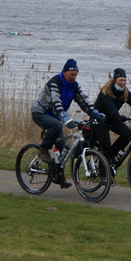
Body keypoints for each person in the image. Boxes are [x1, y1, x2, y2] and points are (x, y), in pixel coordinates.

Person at [30, 58, 105, 188]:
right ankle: (43, 149)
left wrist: (94, 113)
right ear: (64, 72)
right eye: (72, 75)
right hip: (40, 113)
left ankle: (58, 176)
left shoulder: (74, 86)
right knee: (57, 125)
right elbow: (56, 103)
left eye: (76, 75)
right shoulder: (54, 83)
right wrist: (65, 118)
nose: (74, 77)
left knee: (62, 149)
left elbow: (83, 101)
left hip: (55, 116)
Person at [92, 68, 131, 165]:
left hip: (113, 118)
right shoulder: (106, 91)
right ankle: (103, 175)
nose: (123, 82)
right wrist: (117, 116)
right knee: (106, 146)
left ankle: (110, 156)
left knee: (128, 133)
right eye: (121, 80)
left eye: (125, 80)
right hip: (100, 119)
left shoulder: (124, 92)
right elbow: (109, 106)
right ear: (115, 80)